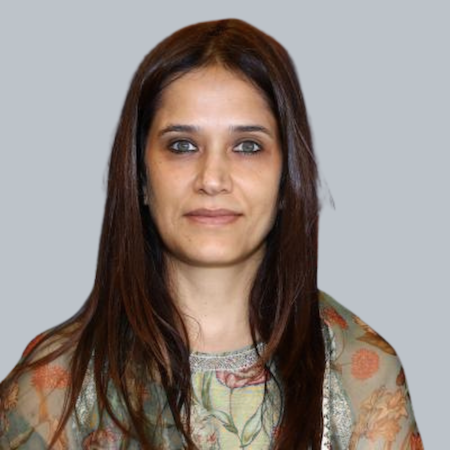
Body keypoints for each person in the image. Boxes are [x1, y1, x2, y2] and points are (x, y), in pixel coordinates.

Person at [0, 18, 423, 450]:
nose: (213, 179)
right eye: (182, 145)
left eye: (247, 146)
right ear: (141, 176)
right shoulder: (53, 391)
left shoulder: (360, 375)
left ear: (287, 177)